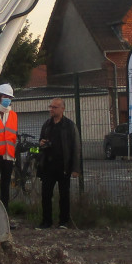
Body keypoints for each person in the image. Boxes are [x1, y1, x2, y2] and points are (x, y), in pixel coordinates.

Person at [36, 98, 80, 228]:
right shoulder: (46, 125)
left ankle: (64, 221)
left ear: (62, 109)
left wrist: (75, 168)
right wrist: (41, 144)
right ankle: (46, 221)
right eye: (50, 107)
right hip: (48, 166)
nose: (51, 109)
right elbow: (40, 142)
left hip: (63, 166)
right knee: (46, 195)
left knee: (64, 195)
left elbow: (76, 147)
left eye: (54, 107)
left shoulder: (69, 126)